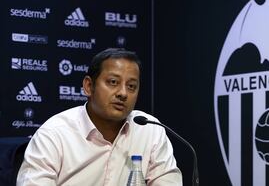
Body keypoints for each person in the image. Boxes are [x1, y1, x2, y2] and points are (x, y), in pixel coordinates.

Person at [17, 48, 182, 185]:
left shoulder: (149, 130)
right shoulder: (54, 134)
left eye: (131, 86)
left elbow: (167, 180)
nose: (123, 93)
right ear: (89, 86)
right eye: (113, 82)